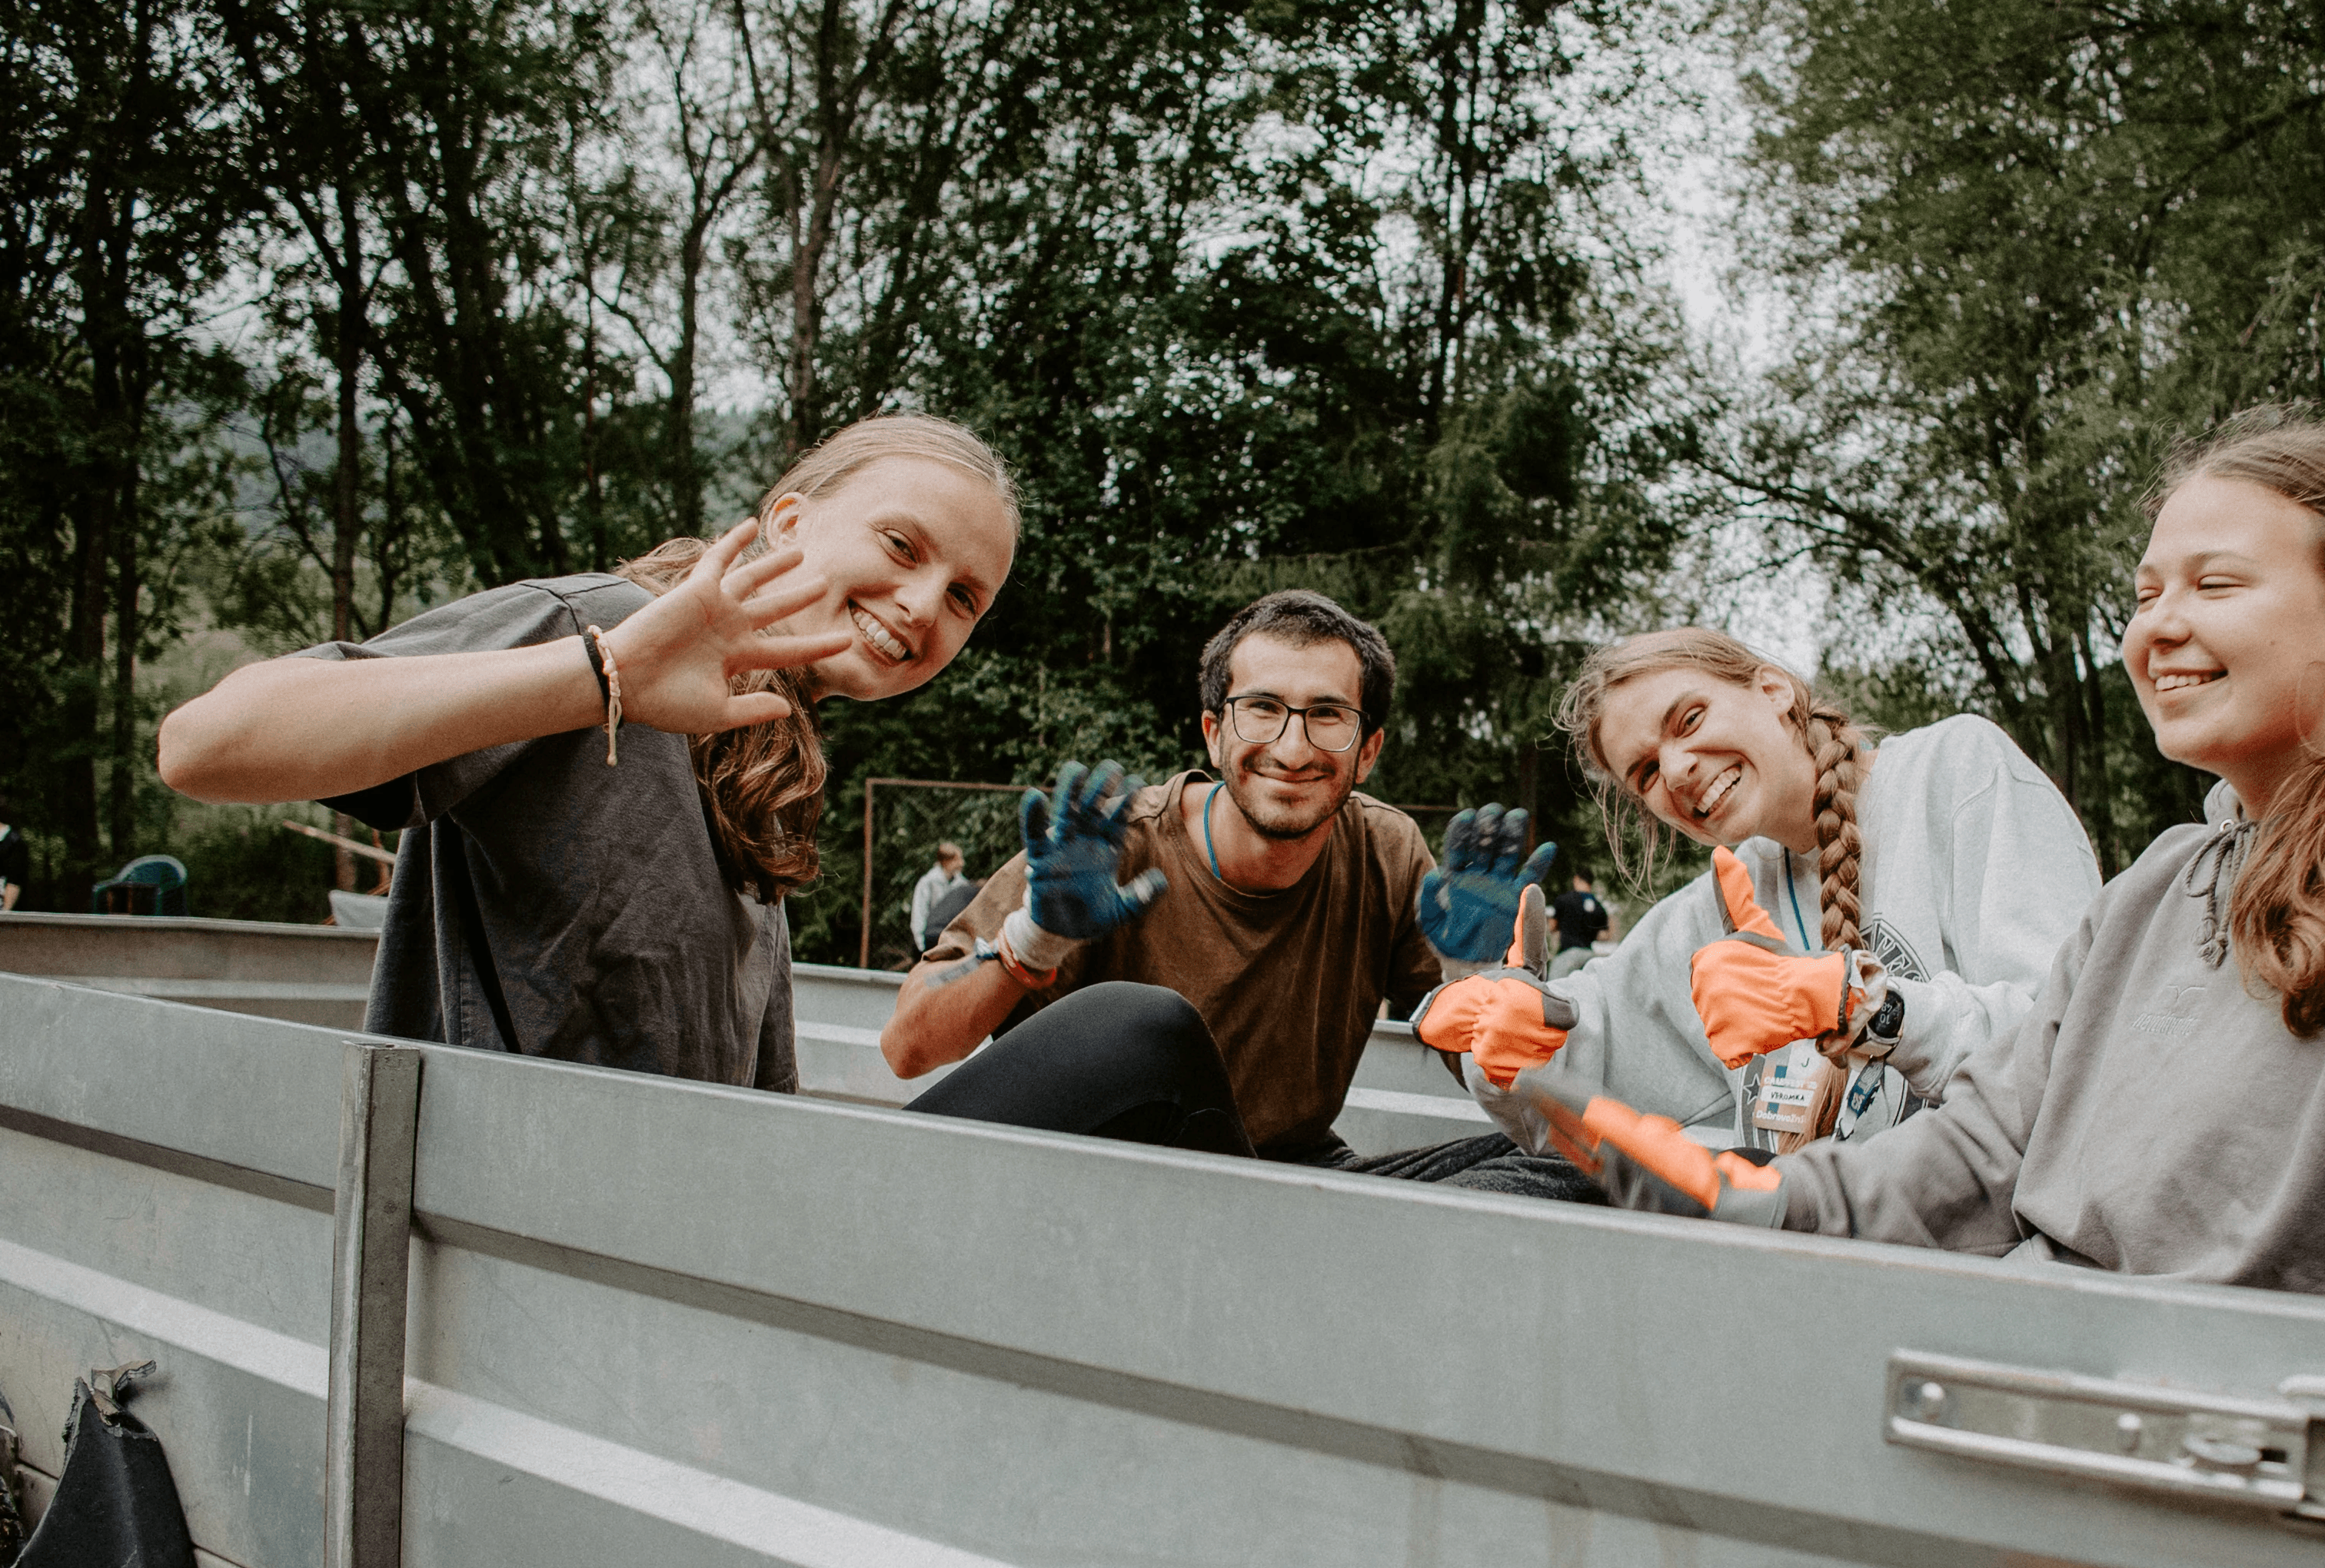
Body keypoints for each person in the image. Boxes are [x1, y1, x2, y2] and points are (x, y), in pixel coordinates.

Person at [1515, 407, 2325, 1533]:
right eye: (2144, 594)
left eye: (2213, 585)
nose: (2153, 628)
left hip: (2218, 1467)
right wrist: (1776, 1205)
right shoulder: (2157, 885)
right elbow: (1984, 1151)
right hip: (2020, 1412)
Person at [157, 415, 1019, 1088]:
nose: (919, 603)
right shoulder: (607, 626)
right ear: (790, 520)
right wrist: (600, 673)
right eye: (901, 545)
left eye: (962, 599)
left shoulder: (769, 763)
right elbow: (207, 743)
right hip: (488, 1247)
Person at [882, 590, 1548, 1166]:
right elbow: (909, 1048)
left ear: (1367, 750)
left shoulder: (1388, 851)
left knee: (1582, 1169)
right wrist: (1034, 940)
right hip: (1105, 1175)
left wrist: (1477, 978)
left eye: (1327, 715)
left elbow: (1499, 1075)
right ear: (1213, 733)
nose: (1292, 749)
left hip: (1282, 1174)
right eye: (1262, 708)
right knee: (1147, 1024)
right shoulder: (1112, 846)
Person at [1411, 630, 2101, 1182]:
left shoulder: (1953, 771)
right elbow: (1582, 1064)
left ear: (1773, 690)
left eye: (1689, 719)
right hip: (1799, 1235)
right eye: (1646, 771)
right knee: (1481, 1180)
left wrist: (1868, 1010)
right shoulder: (1720, 902)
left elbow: (2072, 1045)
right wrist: (1492, 1009)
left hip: (1973, 1233)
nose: (1677, 769)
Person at [1545, 869, 1608, 978]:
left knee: (1553, 989)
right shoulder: (1599, 907)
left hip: (1568, 954)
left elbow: (1552, 927)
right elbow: (1604, 935)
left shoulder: (1564, 900)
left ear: (1576, 880)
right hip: (1589, 955)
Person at [910, 842, 966, 954]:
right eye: (957, 860)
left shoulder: (962, 884)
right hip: (930, 939)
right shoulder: (928, 883)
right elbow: (919, 914)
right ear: (946, 862)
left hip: (952, 940)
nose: (962, 863)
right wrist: (921, 945)